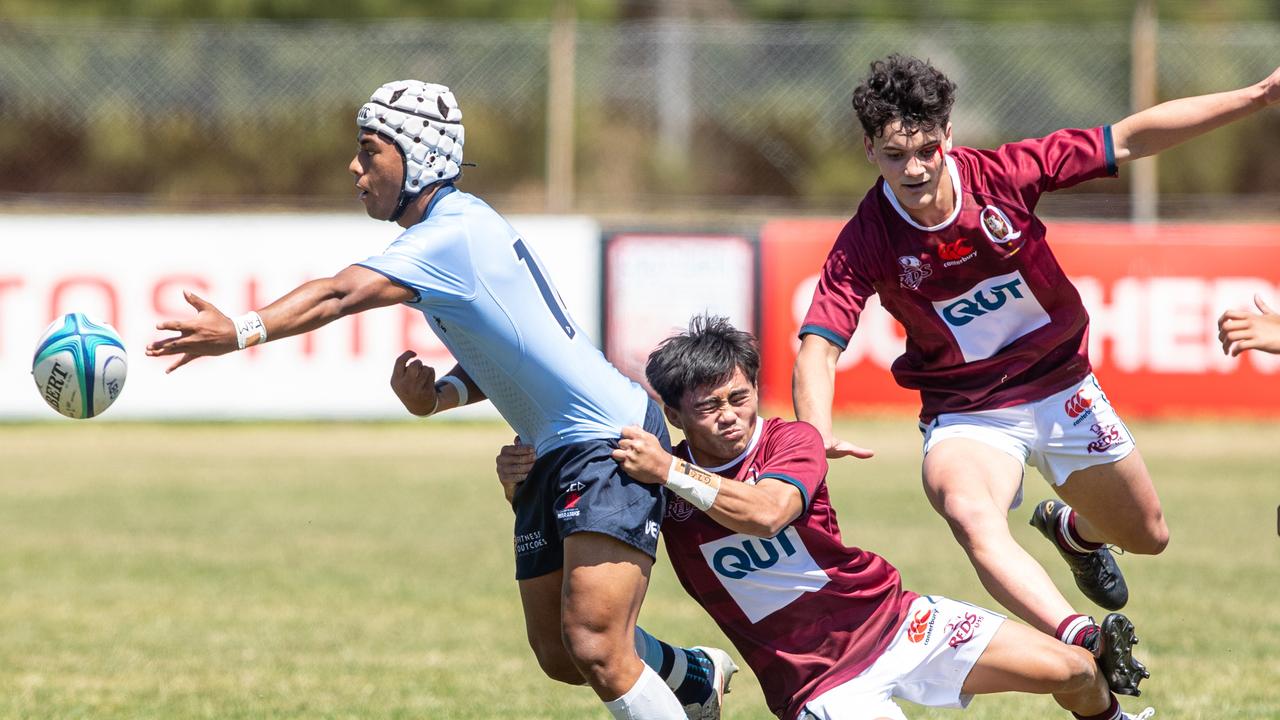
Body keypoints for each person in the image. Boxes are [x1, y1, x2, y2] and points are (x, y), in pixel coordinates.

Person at [145, 79, 735, 720]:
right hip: (550, 449)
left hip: (608, 438)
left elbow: (340, 293)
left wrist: (240, 330)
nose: (355, 167)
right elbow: (509, 352)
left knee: (594, 642)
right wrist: (442, 393)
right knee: (562, 653)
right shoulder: (450, 233)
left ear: (418, 156)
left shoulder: (449, 236)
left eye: (370, 151)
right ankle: (693, 676)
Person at [793, 54, 1280, 674]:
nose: (913, 169)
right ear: (870, 150)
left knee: (1148, 536)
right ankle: (1084, 641)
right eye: (895, 155)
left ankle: (1076, 534)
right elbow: (819, 345)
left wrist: (1262, 94)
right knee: (969, 512)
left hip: (1061, 386)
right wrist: (814, 432)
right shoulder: (866, 238)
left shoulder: (1004, 174)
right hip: (967, 413)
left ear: (948, 136)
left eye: (926, 150)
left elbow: (1129, 139)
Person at [493, 316, 1154, 720]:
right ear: (674, 416)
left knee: (1074, 670)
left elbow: (769, 511)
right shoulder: (655, 481)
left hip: (896, 621)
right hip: (819, 682)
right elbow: (588, 528)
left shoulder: (790, 443)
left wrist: (669, 470)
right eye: (707, 407)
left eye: (738, 396)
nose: (729, 415)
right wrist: (527, 492)